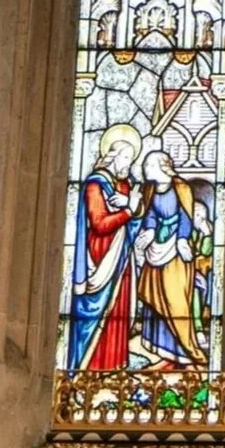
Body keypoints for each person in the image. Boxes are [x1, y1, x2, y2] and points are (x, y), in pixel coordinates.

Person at [67, 125, 143, 373]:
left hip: (121, 258)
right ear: (113, 155)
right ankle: (88, 372)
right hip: (100, 259)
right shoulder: (94, 185)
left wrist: (135, 207)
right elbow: (99, 224)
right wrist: (129, 210)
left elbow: (134, 220)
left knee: (118, 310)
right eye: (126, 158)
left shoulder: (123, 186)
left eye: (131, 159)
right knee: (98, 313)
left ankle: (115, 364)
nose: (129, 164)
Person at [132, 148, 205, 367]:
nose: (145, 169)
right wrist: (151, 231)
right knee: (154, 296)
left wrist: (182, 239)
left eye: (149, 165)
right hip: (156, 250)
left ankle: (183, 350)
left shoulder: (181, 188)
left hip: (176, 253)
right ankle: (156, 347)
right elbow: (151, 214)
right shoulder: (150, 189)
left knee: (175, 299)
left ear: (162, 167)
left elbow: (186, 215)